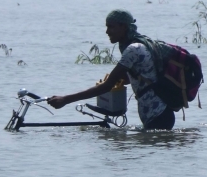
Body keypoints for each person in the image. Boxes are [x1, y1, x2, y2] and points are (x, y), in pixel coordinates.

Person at [48, 10, 176, 130]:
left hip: (158, 116)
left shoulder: (134, 49)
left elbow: (106, 86)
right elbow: (136, 77)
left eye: (111, 27)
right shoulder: (135, 46)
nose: (107, 31)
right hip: (156, 115)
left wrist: (65, 100)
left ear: (124, 27)